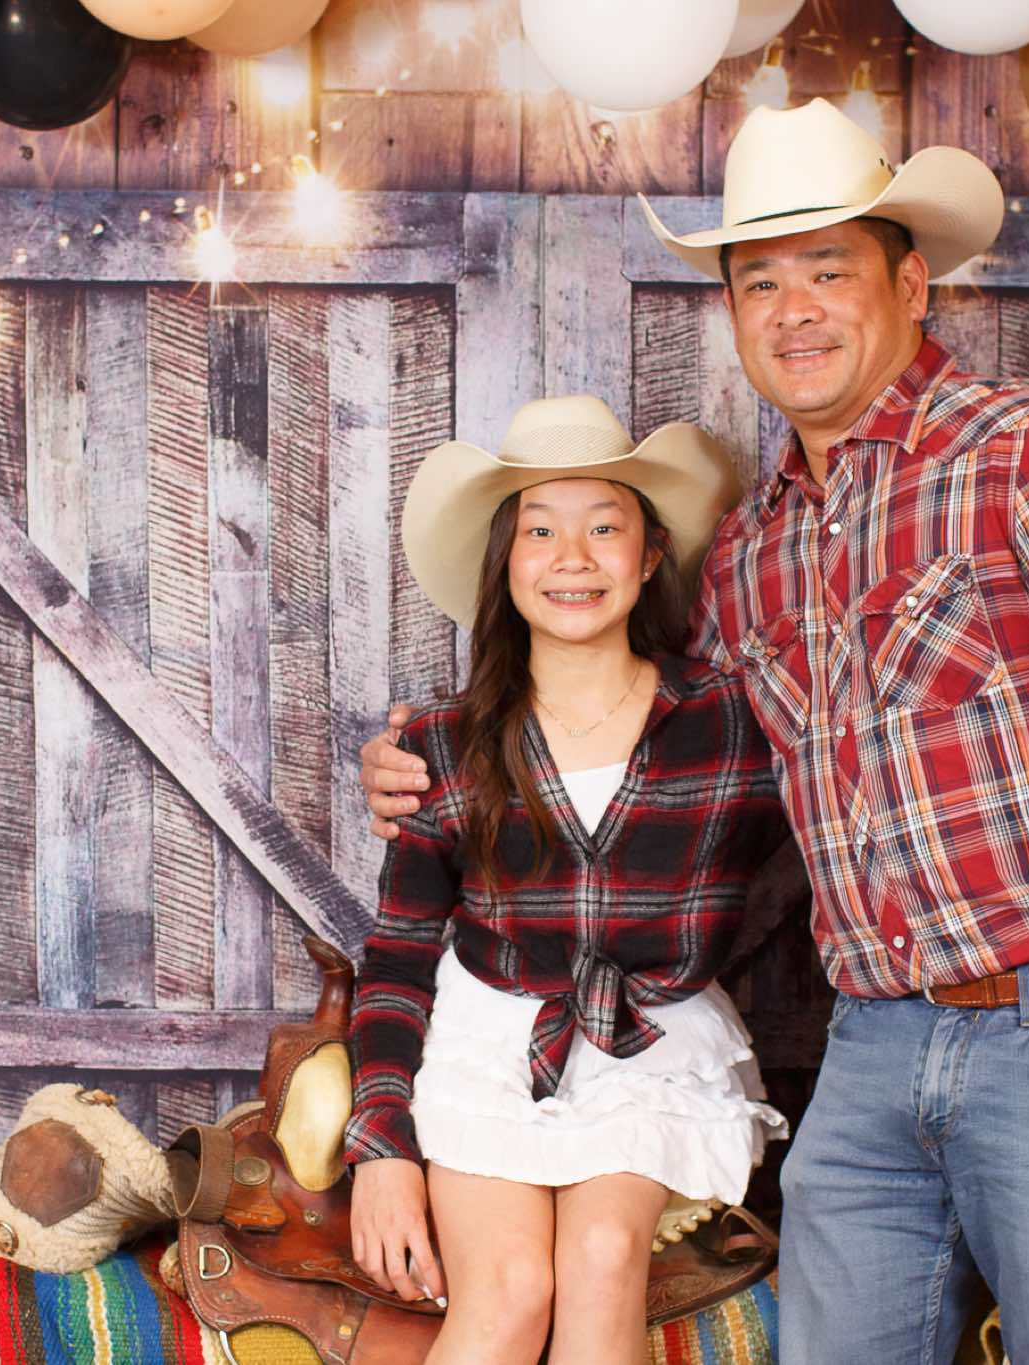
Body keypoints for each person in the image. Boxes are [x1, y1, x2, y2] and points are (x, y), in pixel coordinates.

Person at [361, 99, 1029, 1365]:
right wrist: (427, 755)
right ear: (733, 314)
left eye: (829, 271)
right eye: (760, 282)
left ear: (910, 283)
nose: (794, 311)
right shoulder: (749, 553)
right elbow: (620, 717)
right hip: (871, 1042)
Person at [342, 396, 792, 1365]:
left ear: (650, 553)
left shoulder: (731, 720)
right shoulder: (442, 743)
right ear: (504, 562)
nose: (572, 558)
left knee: (600, 1255)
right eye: (539, 531)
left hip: (652, 1043)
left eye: (604, 528)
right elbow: (398, 959)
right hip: (490, 1041)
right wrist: (381, 1147)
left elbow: (850, 825)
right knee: (506, 1292)